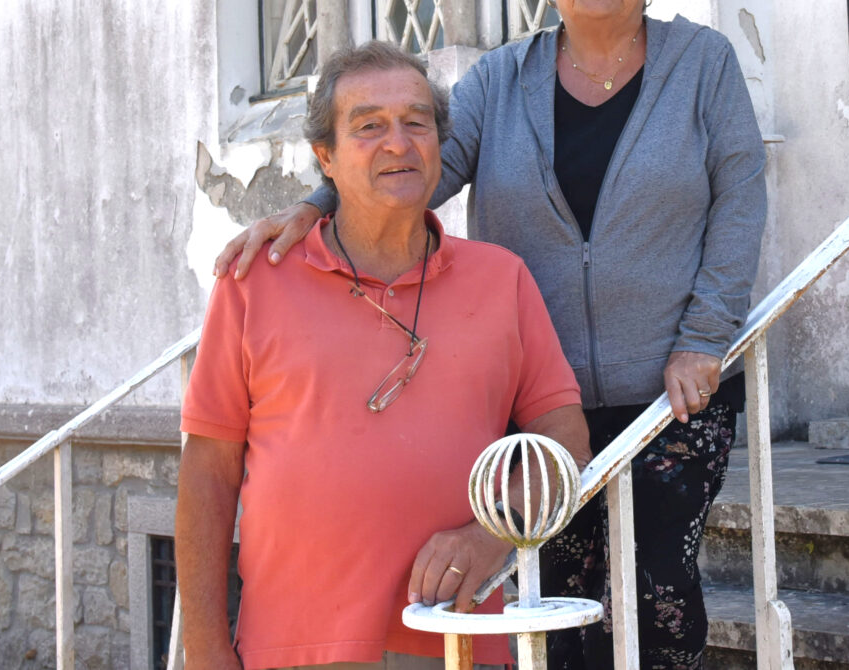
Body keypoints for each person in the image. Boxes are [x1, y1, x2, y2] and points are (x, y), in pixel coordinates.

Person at [215, 0, 767, 670]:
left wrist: (704, 339)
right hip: (538, 401)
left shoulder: (703, 65)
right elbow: (418, 169)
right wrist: (316, 206)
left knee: (657, 586)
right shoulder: (500, 80)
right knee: (551, 588)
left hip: (669, 388)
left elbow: (739, 201)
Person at [178, 40, 592, 670]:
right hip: (295, 647)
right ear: (326, 157)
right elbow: (208, 474)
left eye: (416, 122)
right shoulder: (253, 283)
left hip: (458, 638)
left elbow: (564, 440)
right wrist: (206, 649)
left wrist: (497, 533)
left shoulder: (501, 279)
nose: (398, 142)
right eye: (368, 126)